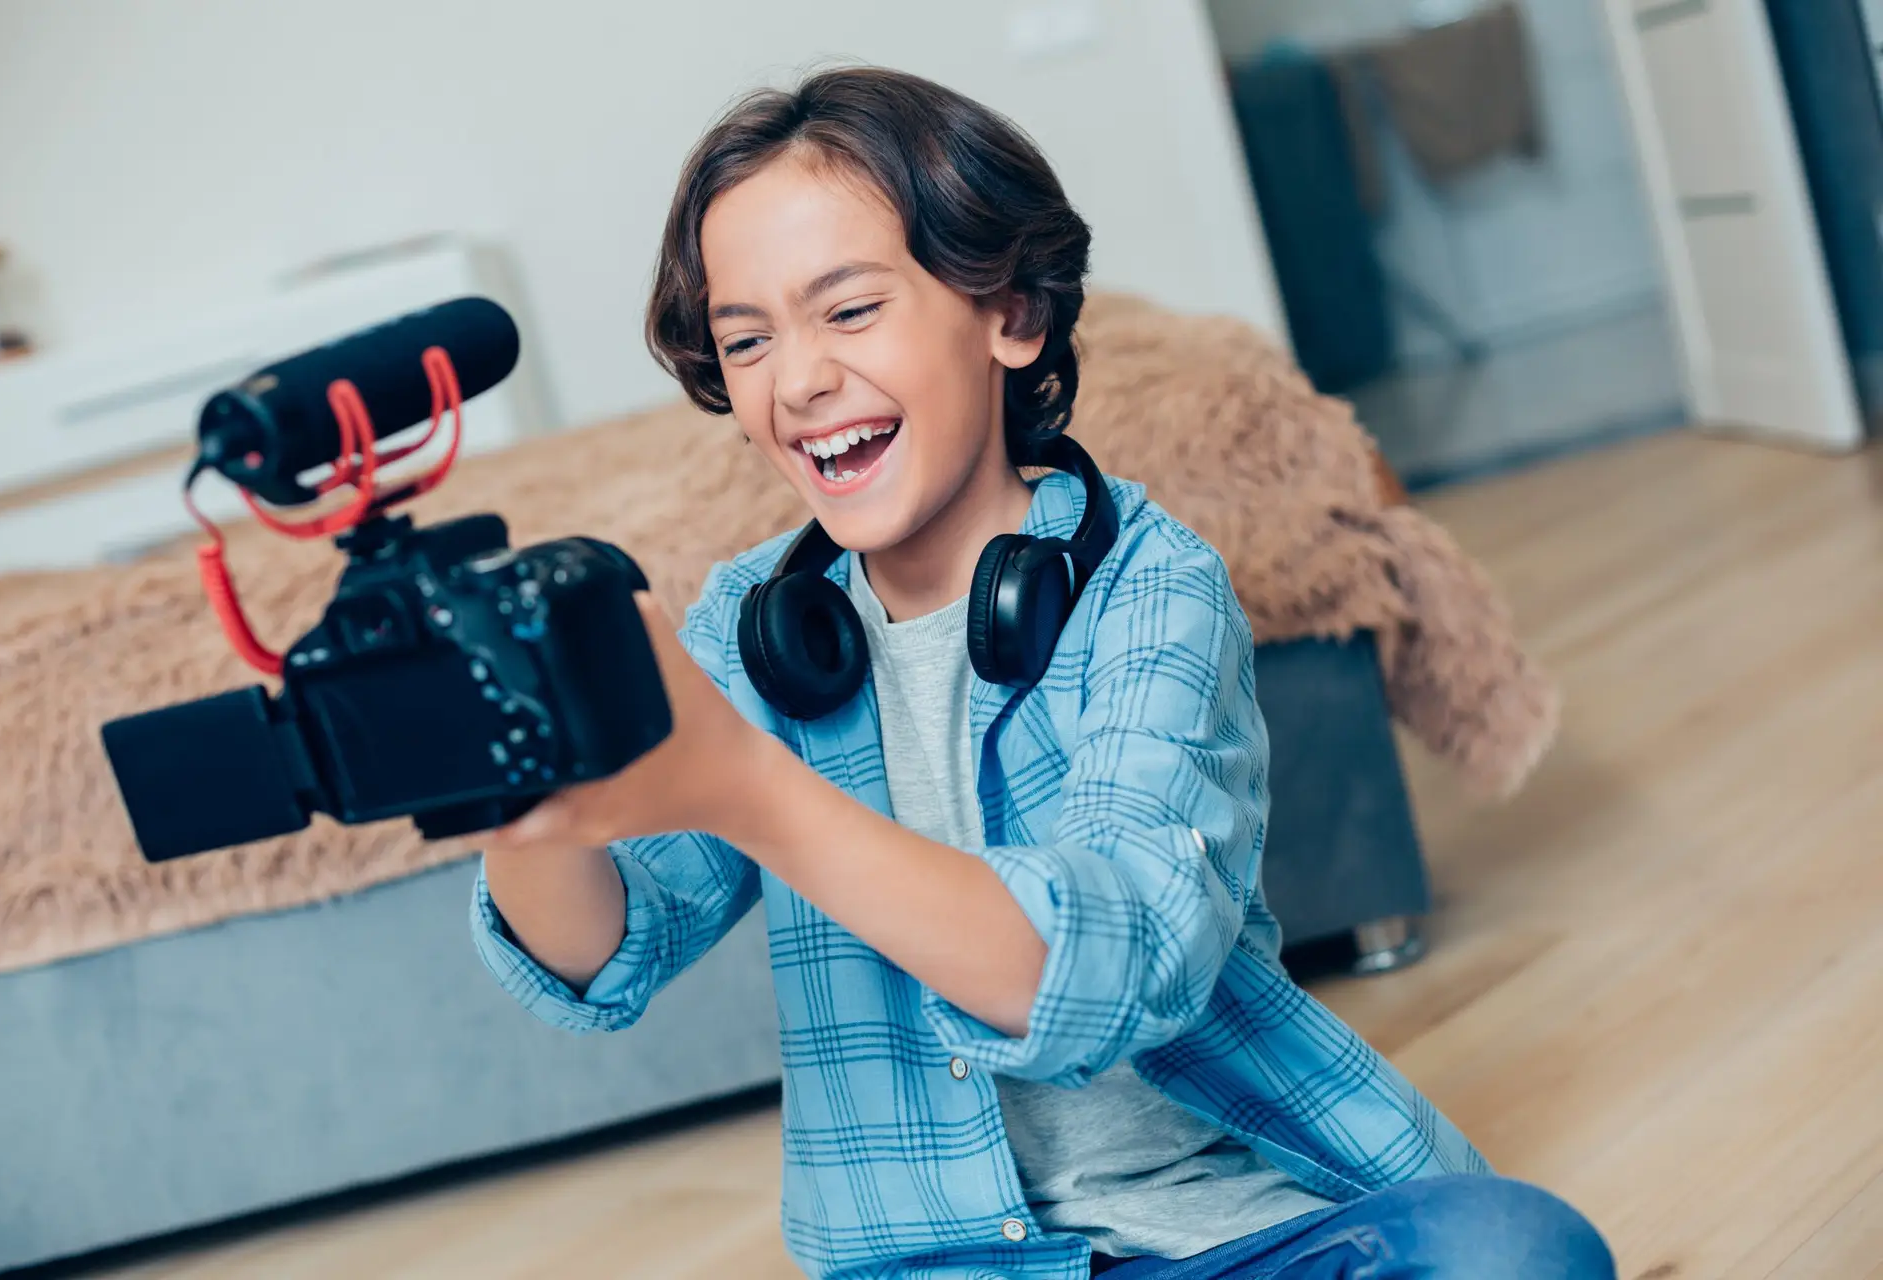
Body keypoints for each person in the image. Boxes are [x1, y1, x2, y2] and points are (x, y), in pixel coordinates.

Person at [471, 65, 1616, 1280]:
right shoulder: (751, 629)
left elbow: (1112, 971)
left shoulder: (1154, 591)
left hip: (1229, 1237)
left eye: (849, 312)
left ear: (1009, 313)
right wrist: (515, 778)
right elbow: (603, 953)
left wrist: (751, 790)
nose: (794, 380)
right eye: (746, 340)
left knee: (1513, 1249)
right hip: (933, 1262)